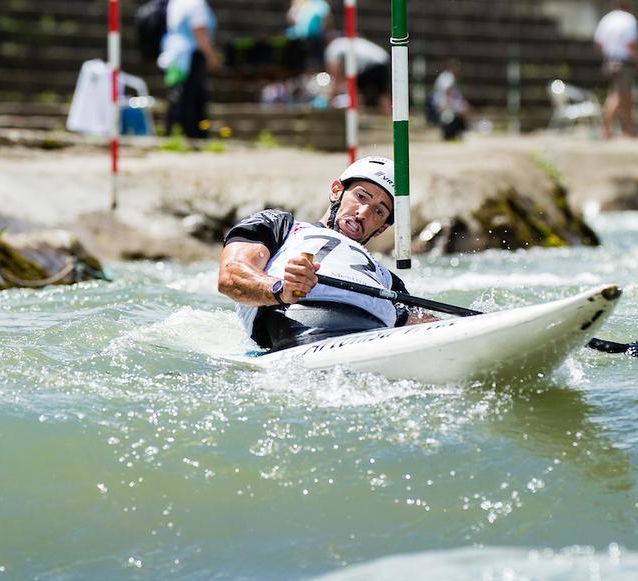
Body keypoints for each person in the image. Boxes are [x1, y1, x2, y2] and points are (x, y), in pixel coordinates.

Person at [218, 157, 433, 352]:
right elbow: (231, 275)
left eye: (379, 211)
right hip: (296, 338)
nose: (363, 213)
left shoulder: (385, 278)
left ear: (381, 229)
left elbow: (420, 324)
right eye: (360, 196)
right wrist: (281, 289)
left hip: (375, 342)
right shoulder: (280, 226)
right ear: (336, 191)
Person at [158, 0, 219, 138]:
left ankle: (172, 131)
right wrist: (211, 57)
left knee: (178, 95)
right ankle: (192, 134)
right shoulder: (196, 4)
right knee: (192, 98)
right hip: (191, 56)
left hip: (174, 55)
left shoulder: (176, 3)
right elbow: (199, 32)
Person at [593, 0, 638, 138]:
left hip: (609, 60)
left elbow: (598, 42)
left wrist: (610, 51)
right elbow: (631, 43)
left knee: (625, 95)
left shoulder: (607, 19)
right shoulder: (628, 20)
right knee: (618, 95)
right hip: (623, 62)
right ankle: (607, 128)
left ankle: (627, 127)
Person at [323, 35, 391, 114]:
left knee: (356, 92)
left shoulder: (332, 48)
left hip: (373, 65)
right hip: (383, 60)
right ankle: (389, 115)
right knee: (382, 95)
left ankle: (357, 117)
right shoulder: (342, 43)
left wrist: (331, 96)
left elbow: (336, 73)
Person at [285, 0, 332, 71]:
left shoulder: (320, 4)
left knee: (309, 61)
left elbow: (290, 19)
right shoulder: (301, 2)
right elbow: (327, 22)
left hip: (310, 38)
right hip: (303, 38)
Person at [430, 60, 469, 141]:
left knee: (462, 109)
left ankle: (458, 131)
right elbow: (448, 91)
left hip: (444, 102)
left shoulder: (447, 76)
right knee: (462, 110)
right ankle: (458, 131)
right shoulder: (448, 77)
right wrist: (452, 105)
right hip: (444, 103)